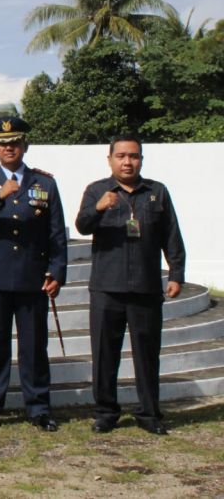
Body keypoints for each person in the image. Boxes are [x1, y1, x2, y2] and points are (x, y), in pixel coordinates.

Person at [75, 135, 185, 436]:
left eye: (134, 156)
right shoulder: (97, 190)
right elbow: (81, 226)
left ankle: (149, 413)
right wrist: (98, 208)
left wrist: (176, 273)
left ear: (141, 160)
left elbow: (172, 235)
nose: (127, 162)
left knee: (147, 354)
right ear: (110, 159)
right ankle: (106, 413)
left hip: (146, 288)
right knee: (104, 354)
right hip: (106, 287)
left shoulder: (156, 192)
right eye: (121, 156)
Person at [0, 117, 66, 432]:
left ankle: (38, 408)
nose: (10, 148)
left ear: (25, 146)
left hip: (30, 275)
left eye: (15, 142)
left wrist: (57, 270)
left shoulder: (44, 183)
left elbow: (56, 232)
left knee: (34, 346)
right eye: (3, 143)